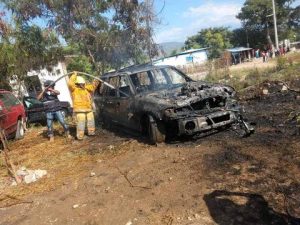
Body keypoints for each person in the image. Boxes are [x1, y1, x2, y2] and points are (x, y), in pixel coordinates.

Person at [68, 72, 100, 140]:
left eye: (83, 83)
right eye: (81, 84)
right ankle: (80, 136)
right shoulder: (74, 89)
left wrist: (97, 79)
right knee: (81, 123)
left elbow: (92, 87)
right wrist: (74, 75)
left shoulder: (86, 88)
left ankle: (91, 133)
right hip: (80, 110)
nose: (83, 84)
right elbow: (70, 84)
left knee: (91, 121)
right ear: (77, 84)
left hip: (88, 108)